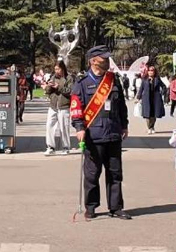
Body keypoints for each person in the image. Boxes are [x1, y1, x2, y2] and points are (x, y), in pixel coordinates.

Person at [71, 45, 130, 221]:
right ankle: (91, 207)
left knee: (115, 173)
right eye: (104, 58)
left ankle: (116, 207)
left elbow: (121, 106)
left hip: (113, 133)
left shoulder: (113, 80)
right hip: (93, 135)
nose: (107, 61)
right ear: (94, 61)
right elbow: (76, 107)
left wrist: (124, 125)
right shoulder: (82, 83)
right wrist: (79, 128)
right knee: (92, 174)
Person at [43, 60, 72, 155]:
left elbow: (70, 91)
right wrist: (48, 86)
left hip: (64, 106)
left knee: (64, 127)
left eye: (58, 69)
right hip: (53, 105)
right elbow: (48, 91)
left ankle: (66, 147)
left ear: (62, 69)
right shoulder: (53, 77)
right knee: (49, 126)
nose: (56, 71)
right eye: (55, 69)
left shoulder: (69, 78)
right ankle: (50, 147)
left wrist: (58, 87)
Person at [137, 63, 166, 134]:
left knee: (154, 114)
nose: (150, 72)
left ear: (154, 72)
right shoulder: (144, 80)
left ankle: (152, 127)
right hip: (146, 99)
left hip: (155, 99)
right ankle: (149, 127)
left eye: (152, 71)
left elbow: (164, 86)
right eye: (149, 70)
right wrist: (138, 97)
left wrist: (162, 93)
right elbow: (141, 89)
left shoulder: (157, 79)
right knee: (147, 115)